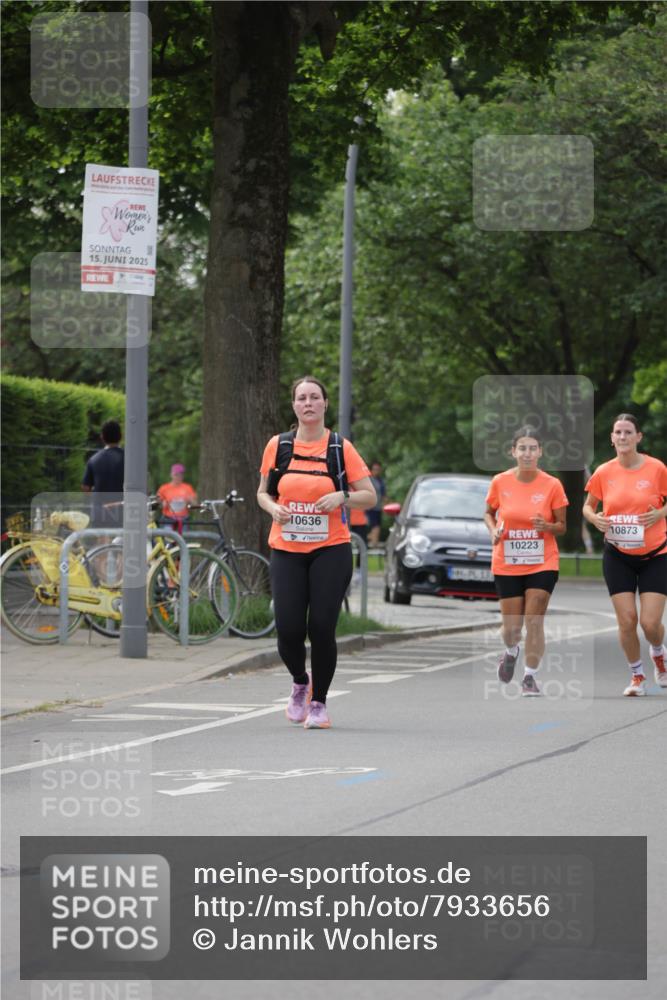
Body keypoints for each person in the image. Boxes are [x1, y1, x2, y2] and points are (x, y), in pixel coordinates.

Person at [257, 376, 376, 729]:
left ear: (325, 403)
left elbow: (369, 496)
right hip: (287, 549)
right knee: (288, 629)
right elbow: (263, 492)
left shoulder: (340, 447)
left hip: (331, 549)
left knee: (322, 627)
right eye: (301, 398)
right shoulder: (278, 445)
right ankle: (300, 682)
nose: (308, 403)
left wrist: (343, 496)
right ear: (294, 406)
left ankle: (320, 704)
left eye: (314, 397)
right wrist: (272, 508)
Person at [583, 414, 667, 696]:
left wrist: (660, 513)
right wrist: (595, 519)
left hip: (656, 554)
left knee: (650, 623)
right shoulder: (604, 472)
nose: (622, 437)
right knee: (627, 619)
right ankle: (637, 676)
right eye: (618, 432)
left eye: (628, 432)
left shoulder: (656, 468)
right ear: (612, 438)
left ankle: (659, 653)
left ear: (638, 437)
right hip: (618, 555)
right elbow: (587, 506)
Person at [484, 426, 568, 697]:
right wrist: (493, 531)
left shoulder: (552, 485)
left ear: (540, 452)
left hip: (542, 561)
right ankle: (511, 651)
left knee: (534, 620)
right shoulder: (500, 482)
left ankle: (530, 677)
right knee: (511, 629)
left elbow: (562, 526)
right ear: (513, 451)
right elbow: (488, 513)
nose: (528, 453)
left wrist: (547, 526)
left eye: (533, 448)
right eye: (522, 448)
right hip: (507, 561)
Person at [81, 420, 124, 530]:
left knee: (102, 539)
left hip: (100, 513)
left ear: (102, 437)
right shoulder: (128, 458)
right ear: (121, 436)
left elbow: (86, 488)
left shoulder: (94, 459)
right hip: (123, 511)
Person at [157, 463, 198, 534]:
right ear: (171, 475)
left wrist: (190, 500)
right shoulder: (164, 488)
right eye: (176, 475)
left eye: (180, 475)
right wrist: (163, 504)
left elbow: (195, 505)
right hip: (168, 519)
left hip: (184, 519)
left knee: (183, 538)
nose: (178, 477)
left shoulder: (188, 488)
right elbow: (157, 505)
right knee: (168, 536)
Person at [367, 461, 387, 548]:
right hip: (370, 507)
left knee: (377, 526)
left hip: (378, 507)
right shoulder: (369, 480)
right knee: (375, 527)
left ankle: (371, 540)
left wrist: (385, 505)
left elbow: (383, 494)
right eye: (375, 469)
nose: (376, 471)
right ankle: (374, 543)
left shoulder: (381, 481)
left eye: (378, 469)